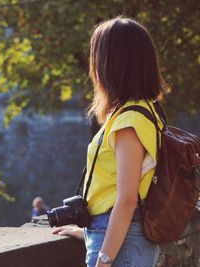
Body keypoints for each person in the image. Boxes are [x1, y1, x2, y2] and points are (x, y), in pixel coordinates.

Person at [52, 16, 168, 267]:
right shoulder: (144, 111)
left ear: (110, 64)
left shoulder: (129, 122)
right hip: (118, 238)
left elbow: (127, 199)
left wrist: (104, 258)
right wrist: (89, 232)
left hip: (120, 245)